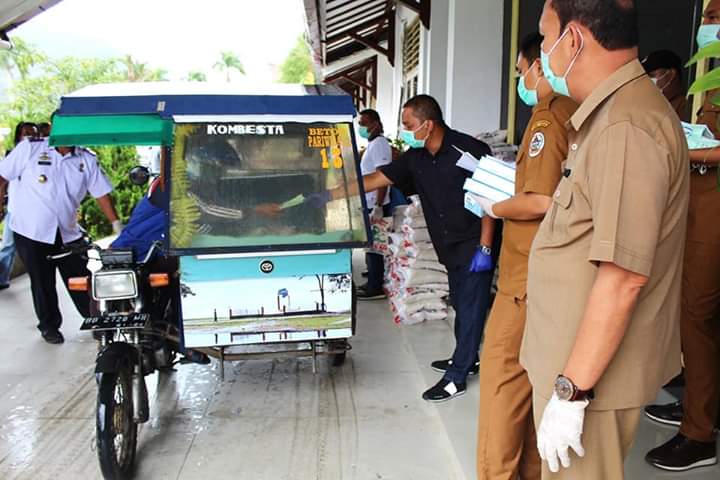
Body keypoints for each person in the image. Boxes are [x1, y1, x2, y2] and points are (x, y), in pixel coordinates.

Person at [521, 1, 688, 478]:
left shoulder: (625, 127)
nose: (544, 59)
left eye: (546, 40)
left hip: (588, 380)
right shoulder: (610, 116)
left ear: (572, 40)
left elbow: (624, 278)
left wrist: (571, 392)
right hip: (576, 364)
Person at [302, 94, 496, 402]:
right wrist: (331, 194)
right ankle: (468, 359)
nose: (403, 131)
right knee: (460, 301)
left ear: (428, 125)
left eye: (408, 125)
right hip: (448, 244)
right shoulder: (415, 157)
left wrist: (485, 247)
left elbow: (490, 198)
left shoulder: (469, 149)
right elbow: (378, 178)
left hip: (474, 244)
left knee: (471, 308)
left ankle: (456, 377)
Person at [475, 32, 578, 480]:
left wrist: (492, 206)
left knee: (501, 388)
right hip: (552, 280)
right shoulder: (577, 111)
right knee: (539, 392)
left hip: (523, 284)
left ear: (540, 65)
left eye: (521, 72)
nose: (522, 81)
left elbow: (538, 200)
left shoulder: (547, 118)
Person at [644, 0, 720, 471]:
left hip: (712, 213)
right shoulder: (705, 74)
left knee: (697, 316)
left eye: (714, 17)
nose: (706, 25)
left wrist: (697, 151)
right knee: (694, 320)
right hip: (697, 208)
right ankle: (700, 406)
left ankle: (699, 432)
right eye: (708, 17)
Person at [0, 137, 123, 344]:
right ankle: (49, 326)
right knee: (42, 281)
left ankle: (95, 321)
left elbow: (101, 194)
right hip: (31, 231)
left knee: (81, 278)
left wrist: (116, 225)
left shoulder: (86, 158)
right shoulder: (31, 148)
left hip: (67, 232)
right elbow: (2, 176)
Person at [356, 108, 392, 300]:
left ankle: (374, 287)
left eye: (364, 123)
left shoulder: (379, 144)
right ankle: (372, 277)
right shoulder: (371, 144)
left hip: (375, 204)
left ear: (375, 124)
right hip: (369, 202)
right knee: (370, 245)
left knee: (375, 247)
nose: (361, 127)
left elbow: (383, 176)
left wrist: (378, 205)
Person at [0, 122, 39, 290]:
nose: (30, 136)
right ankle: (1, 278)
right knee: (8, 244)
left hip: (35, 211)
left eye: (33, 133)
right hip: (14, 209)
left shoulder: (42, 154)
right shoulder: (12, 155)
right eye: (26, 133)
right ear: (19, 135)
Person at [641, 49, 689, 121]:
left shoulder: (686, 106)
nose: (648, 80)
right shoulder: (646, 104)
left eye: (652, 75)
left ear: (672, 74)